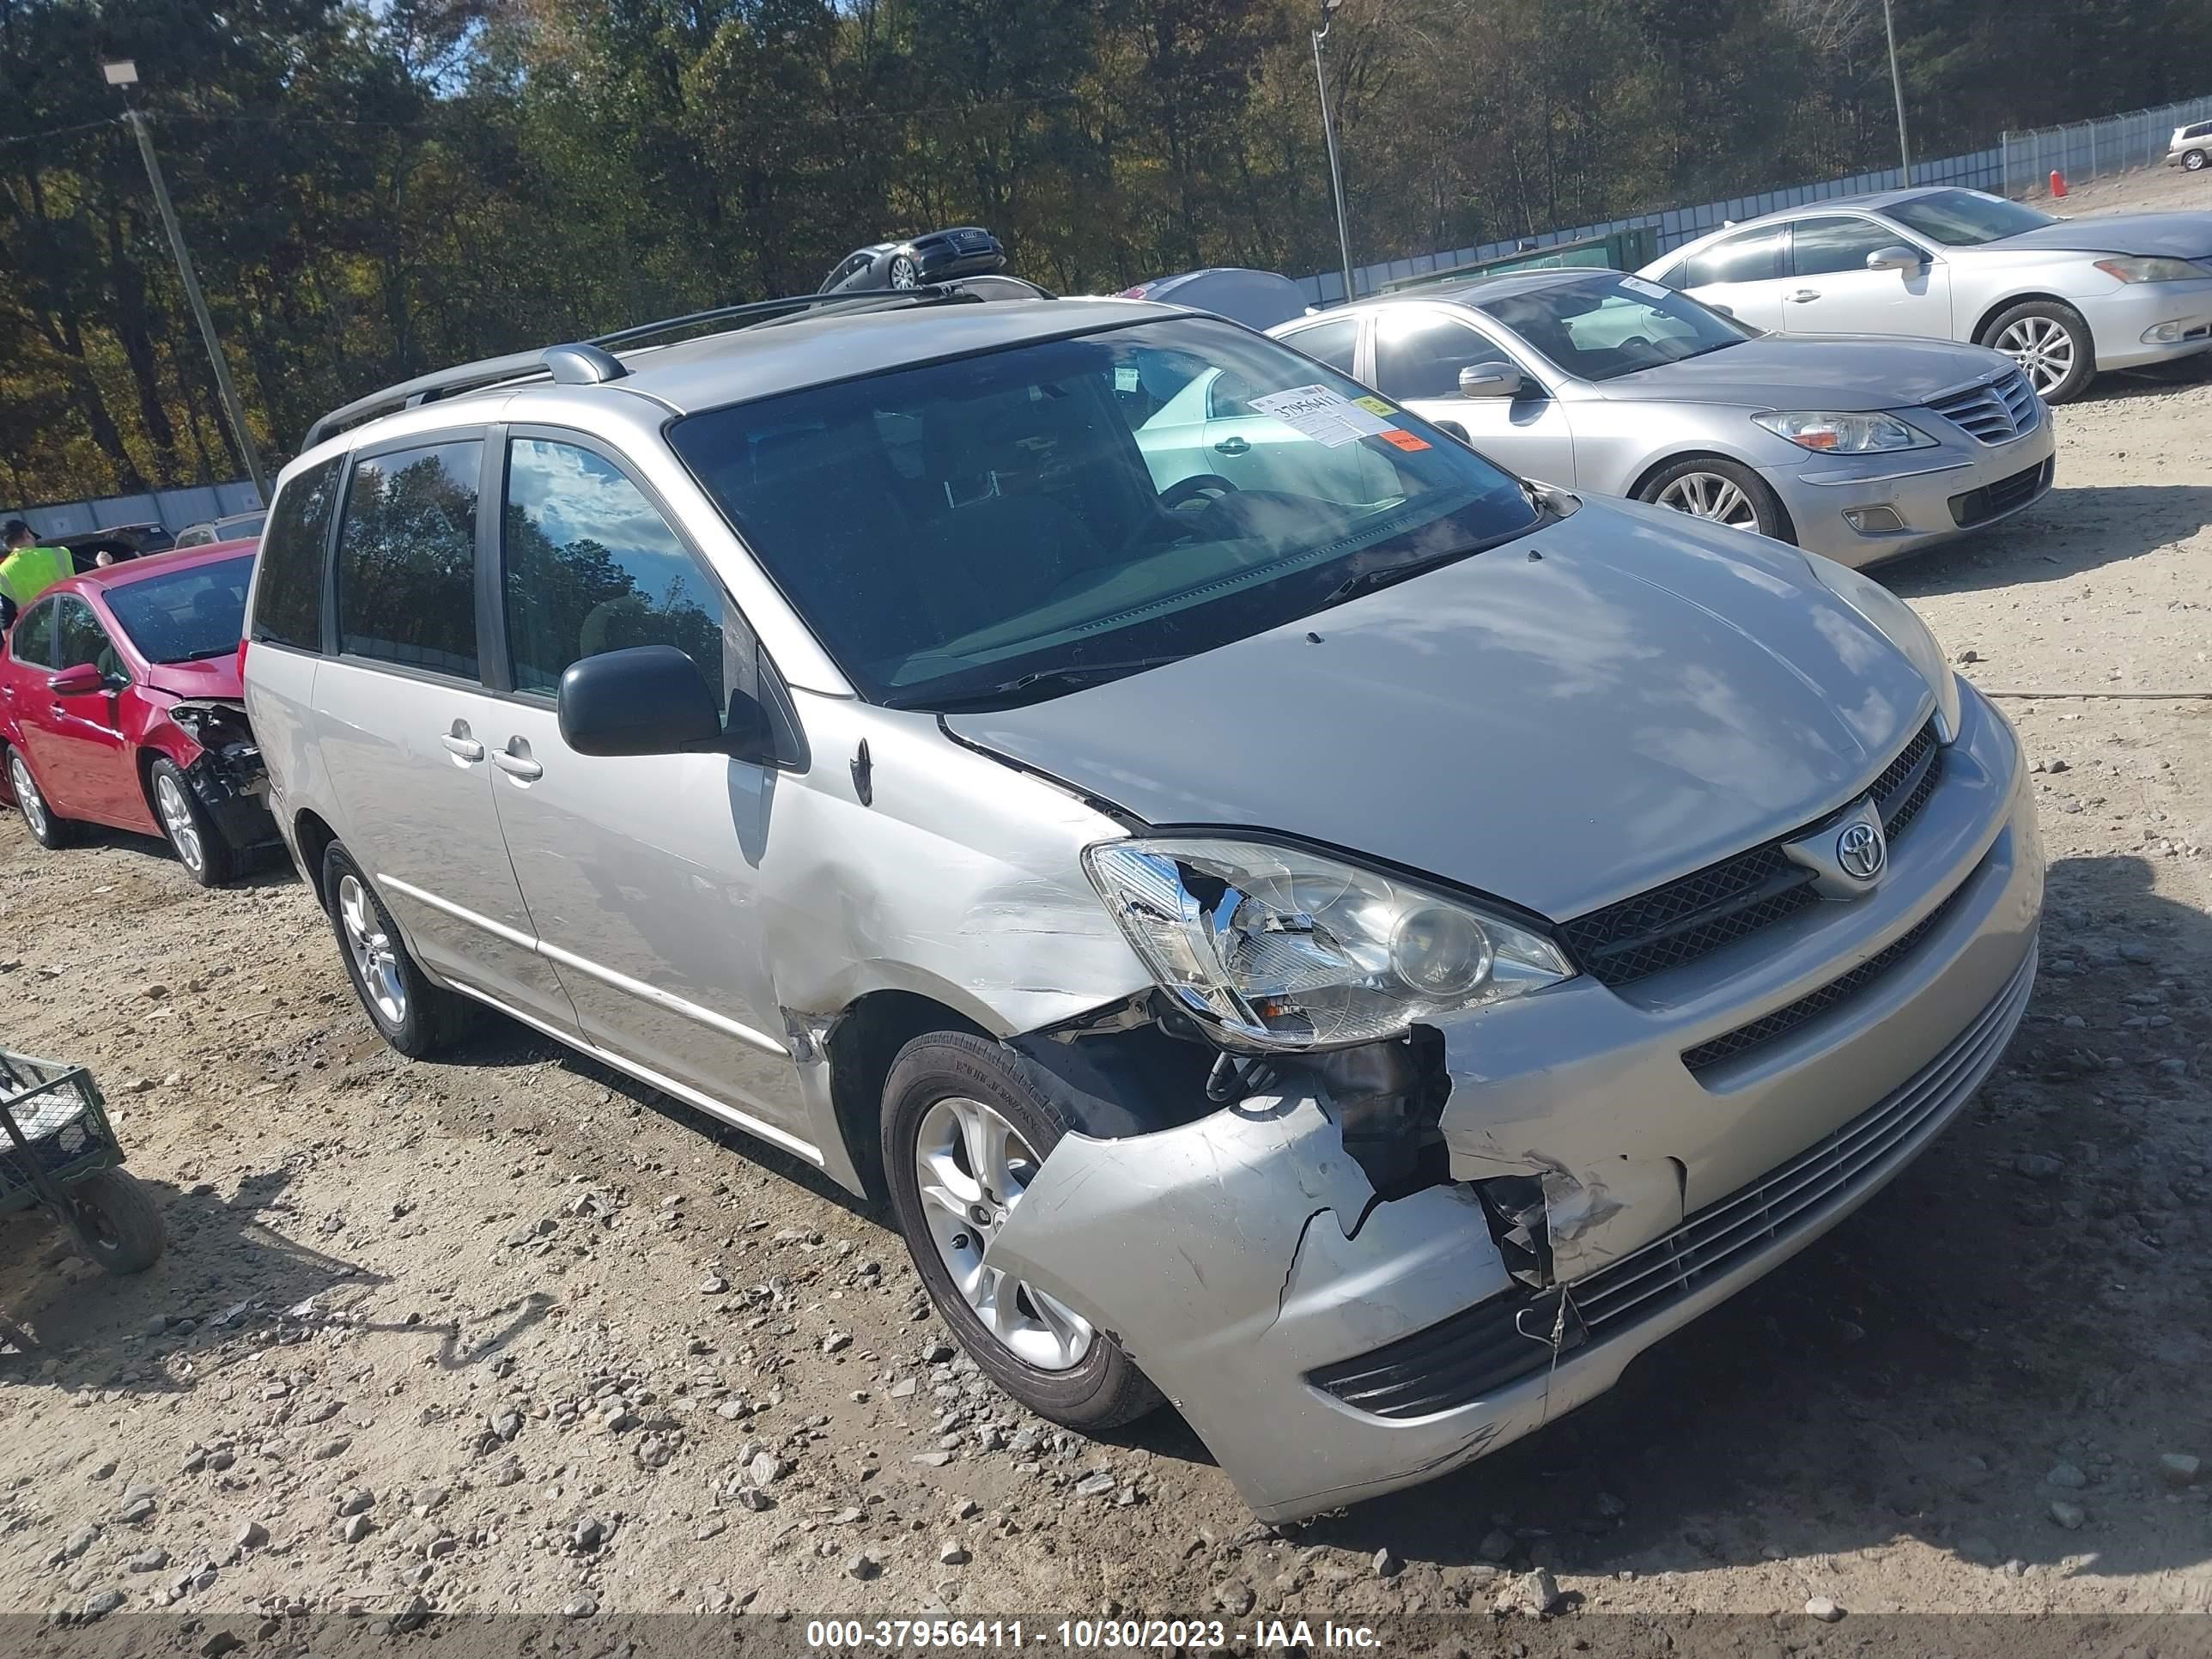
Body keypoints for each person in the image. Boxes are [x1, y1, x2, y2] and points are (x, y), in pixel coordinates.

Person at [0, 520, 73, 630]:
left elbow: (7, 620)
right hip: (72, 624)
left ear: (6, 545)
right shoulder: (61, 553)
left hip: (37, 636)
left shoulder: (3, 573)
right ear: (27, 533)